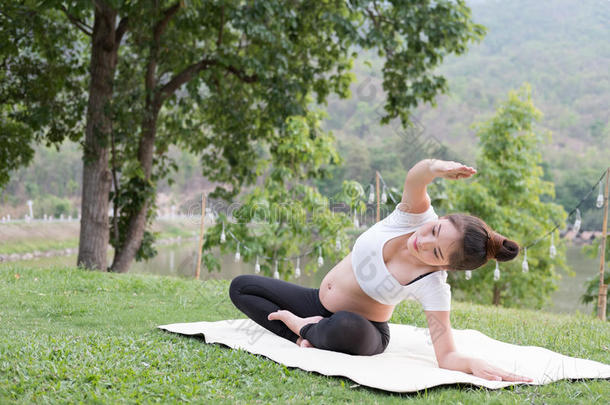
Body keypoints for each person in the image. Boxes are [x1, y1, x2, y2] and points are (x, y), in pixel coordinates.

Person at [229, 159, 533, 382]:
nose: (422, 242)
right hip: (317, 302)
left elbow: (447, 355)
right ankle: (302, 334)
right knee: (241, 287)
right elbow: (416, 178)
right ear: (437, 218)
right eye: (434, 230)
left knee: (346, 326)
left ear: (446, 266)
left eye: (436, 252)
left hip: (365, 329)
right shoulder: (413, 218)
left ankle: (307, 329)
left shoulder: (433, 285)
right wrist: (437, 168)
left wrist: (472, 364)